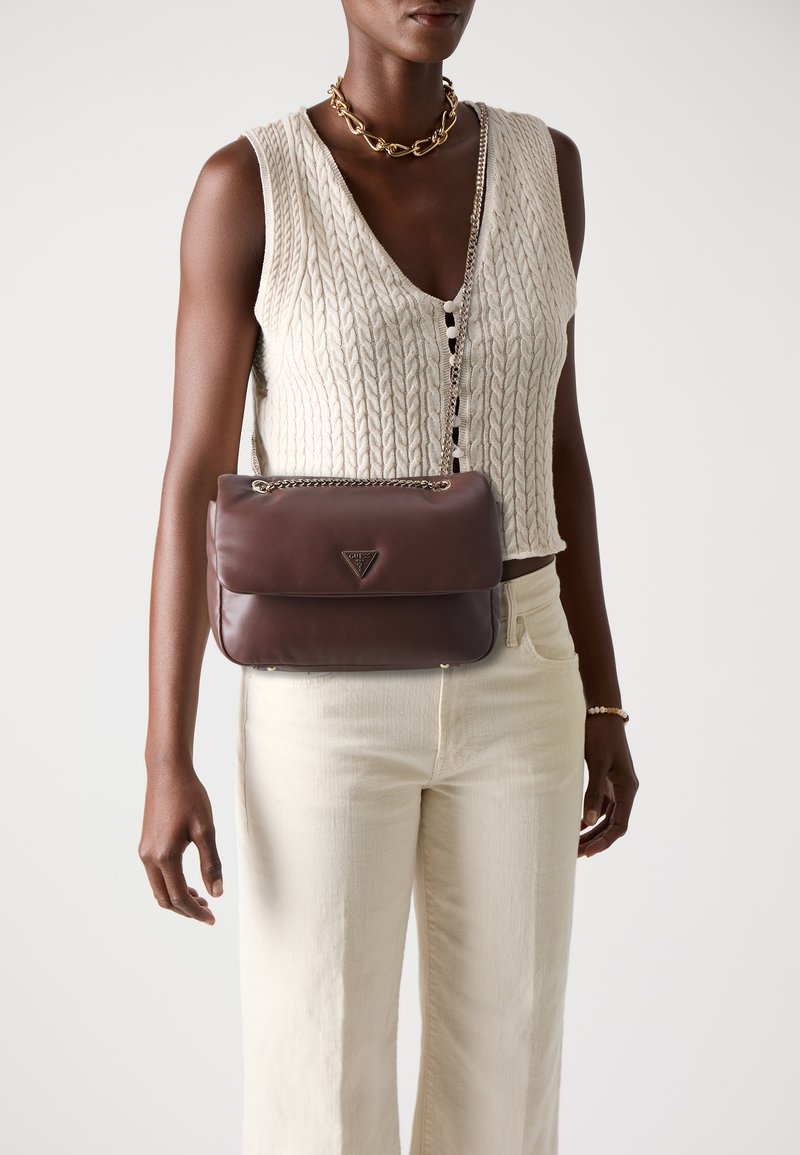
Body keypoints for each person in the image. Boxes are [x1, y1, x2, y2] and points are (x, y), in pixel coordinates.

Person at [141, 2, 639, 1151]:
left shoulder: (546, 169)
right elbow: (190, 481)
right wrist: (166, 756)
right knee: (316, 1079)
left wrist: (603, 698)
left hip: (522, 667)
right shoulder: (247, 184)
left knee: (507, 1077)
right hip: (321, 691)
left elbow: (556, 444)